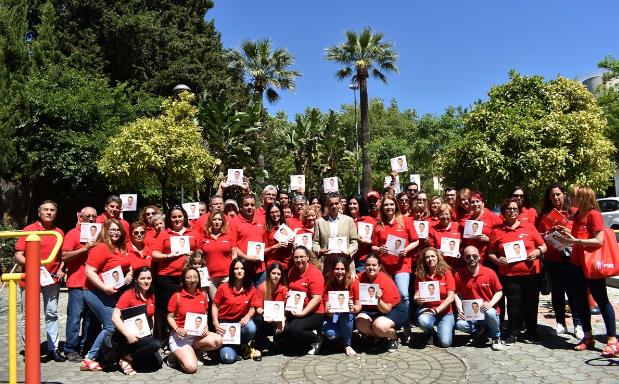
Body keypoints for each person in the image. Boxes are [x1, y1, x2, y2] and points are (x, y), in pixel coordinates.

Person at [558, 185, 617, 357]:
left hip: (591, 265)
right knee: (580, 301)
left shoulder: (594, 214)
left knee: (601, 300)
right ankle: (588, 336)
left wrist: (575, 240)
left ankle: (612, 339)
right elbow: (578, 236)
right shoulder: (577, 214)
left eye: (574, 196)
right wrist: (565, 233)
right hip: (577, 264)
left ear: (583, 197)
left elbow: (598, 240)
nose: (571, 198)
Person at [487, 198, 546, 344]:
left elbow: (543, 245)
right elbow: (491, 253)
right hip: (509, 275)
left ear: (519, 212)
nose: (512, 211)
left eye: (515, 209)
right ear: (503, 213)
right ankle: (513, 332)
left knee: (531, 304)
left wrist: (536, 253)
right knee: (514, 304)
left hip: (531, 273)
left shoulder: (529, 227)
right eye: (509, 209)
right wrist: (498, 260)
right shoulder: (497, 231)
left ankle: (532, 332)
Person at [14, 200, 66, 362]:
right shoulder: (29, 230)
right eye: (46, 210)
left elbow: (62, 256)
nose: (49, 212)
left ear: (56, 213)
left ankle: (53, 348)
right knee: (29, 315)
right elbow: (18, 255)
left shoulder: (59, 233)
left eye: (52, 210)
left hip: (51, 280)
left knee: (51, 313)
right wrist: (32, 263)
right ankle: (31, 349)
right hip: (30, 278)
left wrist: (61, 269)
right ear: (39, 212)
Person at [81, 219, 133, 371]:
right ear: (105, 231)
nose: (116, 232)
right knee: (111, 325)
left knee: (112, 325)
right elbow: (89, 271)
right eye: (112, 230)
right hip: (95, 291)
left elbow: (127, 264)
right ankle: (89, 359)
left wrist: (129, 272)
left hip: (111, 292)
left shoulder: (120, 247)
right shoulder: (101, 247)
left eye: (118, 230)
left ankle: (105, 356)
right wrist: (104, 287)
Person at [536, 184, 583, 339]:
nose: (555, 198)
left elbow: (580, 234)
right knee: (557, 291)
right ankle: (560, 323)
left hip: (572, 258)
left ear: (564, 195)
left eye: (558, 194)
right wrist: (547, 234)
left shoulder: (574, 213)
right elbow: (537, 235)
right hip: (553, 258)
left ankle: (578, 324)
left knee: (574, 292)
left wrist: (568, 232)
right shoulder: (544, 215)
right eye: (552, 195)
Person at [371, 195, 419, 340]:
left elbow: (416, 241)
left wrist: (407, 249)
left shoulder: (406, 221)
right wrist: (380, 249)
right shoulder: (378, 224)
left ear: (396, 206)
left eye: (391, 204)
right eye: (386, 205)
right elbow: (373, 246)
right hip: (384, 267)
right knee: (386, 297)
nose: (389, 207)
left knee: (404, 295)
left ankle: (405, 325)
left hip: (402, 265)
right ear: (382, 207)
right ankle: (388, 325)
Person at [151, 206, 199, 340]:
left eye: (179, 216)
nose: (177, 219)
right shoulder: (164, 234)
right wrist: (168, 256)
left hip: (187, 277)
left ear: (184, 217)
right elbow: (154, 254)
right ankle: (170, 338)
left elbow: (200, 252)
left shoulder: (193, 233)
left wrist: (194, 255)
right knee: (169, 309)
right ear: (169, 219)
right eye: (174, 217)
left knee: (187, 306)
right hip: (167, 277)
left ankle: (188, 337)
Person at [167, 267, 223, 373]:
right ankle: (174, 355)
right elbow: (169, 317)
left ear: (199, 279)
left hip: (197, 337)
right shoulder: (177, 296)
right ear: (184, 280)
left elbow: (205, 314)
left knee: (218, 341)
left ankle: (194, 352)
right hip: (180, 338)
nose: (192, 280)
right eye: (188, 277)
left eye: (195, 277)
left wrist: (206, 327)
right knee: (191, 368)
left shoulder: (203, 294)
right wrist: (177, 328)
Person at [61, 206, 98, 361]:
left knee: (91, 319)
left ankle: (85, 347)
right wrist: (85, 248)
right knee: (75, 318)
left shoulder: (100, 234)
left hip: (94, 284)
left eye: (93, 216)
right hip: (77, 283)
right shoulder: (72, 233)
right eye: (86, 216)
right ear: (80, 216)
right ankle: (70, 348)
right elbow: (64, 256)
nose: (90, 219)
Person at [112, 267, 162, 374]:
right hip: (126, 337)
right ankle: (126, 357)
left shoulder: (151, 294)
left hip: (142, 335)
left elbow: (151, 315)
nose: (146, 281)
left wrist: (151, 332)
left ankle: (132, 360)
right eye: (142, 278)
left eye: (149, 278)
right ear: (136, 279)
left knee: (157, 363)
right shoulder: (128, 294)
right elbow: (114, 317)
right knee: (156, 344)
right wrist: (128, 335)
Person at [454, 246, 504, 351]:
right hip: (471, 314)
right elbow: (457, 294)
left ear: (480, 257)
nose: (471, 258)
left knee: (490, 312)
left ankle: (496, 337)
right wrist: (460, 310)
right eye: (468, 256)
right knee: (460, 324)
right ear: (464, 258)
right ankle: (481, 331)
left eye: (474, 256)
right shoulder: (459, 275)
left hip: (487, 313)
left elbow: (499, 291)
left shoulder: (489, 272)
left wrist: (491, 303)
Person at [213, 257, 261, 363]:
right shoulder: (223, 287)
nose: (239, 271)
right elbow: (215, 306)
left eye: (242, 268)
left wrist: (248, 316)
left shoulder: (251, 289)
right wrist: (216, 323)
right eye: (236, 268)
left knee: (251, 328)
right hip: (225, 324)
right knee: (228, 359)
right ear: (232, 271)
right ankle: (231, 347)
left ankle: (242, 346)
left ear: (246, 270)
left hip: (241, 323)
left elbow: (253, 307)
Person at [355, 254, 406, 352]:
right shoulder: (360, 276)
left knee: (379, 326)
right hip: (371, 309)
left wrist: (378, 300)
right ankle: (380, 337)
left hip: (392, 309)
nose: (371, 268)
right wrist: (352, 275)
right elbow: (350, 279)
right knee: (360, 322)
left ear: (379, 267)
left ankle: (394, 338)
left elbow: (386, 309)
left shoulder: (386, 281)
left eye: (374, 265)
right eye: (368, 265)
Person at [283, 246, 325, 354]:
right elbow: (291, 289)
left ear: (307, 257)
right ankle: (306, 339)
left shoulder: (314, 273)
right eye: (296, 257)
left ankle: (317, 338)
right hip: (296, 309)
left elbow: (317, 298)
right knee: (285, 329)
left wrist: (302, 313)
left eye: (302, 257)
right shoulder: (292, 271)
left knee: (294, 329)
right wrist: (288, 296)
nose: (299, 260)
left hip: (314, 312)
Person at [414, 247, 455, 347]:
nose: (430, 259)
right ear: (424, 260)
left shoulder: (447, 272)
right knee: (423, 321)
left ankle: (447, 329)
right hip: (428, 309)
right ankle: (430, 332)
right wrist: (417, 299)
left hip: (446, 312)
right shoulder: (420, 275)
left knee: (445, 343)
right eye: (427, 257)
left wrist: (437, 310)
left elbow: (451, 297)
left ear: (438, 258)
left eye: (433, 256)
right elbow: (416, 295)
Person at [322, 257, 361, 356]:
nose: (340, 272)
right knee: (331, 335)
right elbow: (327, 312)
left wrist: (353, 309)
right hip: (333, 317)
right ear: (332, 270)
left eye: (343, 269)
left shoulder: (354, 282)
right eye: (337, 269)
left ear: (347, 270)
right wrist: (328, 310)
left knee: (346, 314)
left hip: (349, 316)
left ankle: (347, 344)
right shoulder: (327, 283)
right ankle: (342, 336)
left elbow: (359, 305)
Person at [312, 192, 359, 275]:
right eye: (331, 204)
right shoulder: (319, 222)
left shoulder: (349, 220)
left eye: (336, 203)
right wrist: (319, 250)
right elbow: (315, 243)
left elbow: (354, 242)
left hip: (345, 264)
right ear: (327, 204)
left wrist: (348, 251)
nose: (334, 206)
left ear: (340, 203)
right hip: (327, 265)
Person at [231, 194, 267, 285]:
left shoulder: (262, 220)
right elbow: (233, 246)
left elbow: (265, 242)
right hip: (243, 268)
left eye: (252, 205)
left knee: (261, 297)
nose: (249, 207)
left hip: (260, 269)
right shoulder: (234, 222)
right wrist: (246, 257)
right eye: (246, 205)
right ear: (240, 207)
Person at [199, 210, 237, 298]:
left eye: (219, 219)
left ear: (223, 221)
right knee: (215, 303)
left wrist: (232, 273)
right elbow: (201, 257)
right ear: (210, 221)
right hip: (210, 277)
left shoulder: (229, 236)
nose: (217, 222)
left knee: (228, 301)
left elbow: (234, 255)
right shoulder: (204, 237)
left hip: (227, 276)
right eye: (214, 219)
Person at [460, 191, 503, 265]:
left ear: (483, 203)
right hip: (471, 259)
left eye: (477, 201)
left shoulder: (492, 217)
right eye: (472, 202)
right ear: (469, 204)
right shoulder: (467, 220)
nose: (475, 204)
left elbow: (503, 238)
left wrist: (489, 240)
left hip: (488, 260)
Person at [254, 262, 288, 352]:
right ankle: (263, 341)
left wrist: (282, 319)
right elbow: (257, 308)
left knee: (282, 346)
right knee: (258, 320)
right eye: (273, 273)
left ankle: (277, 340)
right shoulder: (261, 287)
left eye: (278, 274)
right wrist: (266, 314)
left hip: (279, 321)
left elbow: (286, 309)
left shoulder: (284, 289)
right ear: (269, 274)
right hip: (266, 320)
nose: (276, 276)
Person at [345, 195, 377, 272]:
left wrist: (367, 242)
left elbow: (377, 242)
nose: (352, 206)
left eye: (355, 203)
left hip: (363, 260)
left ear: (360, 204)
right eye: (350, 204)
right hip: (347, 259)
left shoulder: (370, 221)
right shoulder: (344, 220)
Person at [264, 202, 293, 271]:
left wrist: (292, 242)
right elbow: (262, 251)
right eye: (272, 212)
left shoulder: (288, 226)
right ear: (269, 214)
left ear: (281, 212)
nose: (275, 214)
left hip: (287, 265)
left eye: (277, 211)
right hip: (272, 266)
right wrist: (274, 247)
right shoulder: (266, 229)